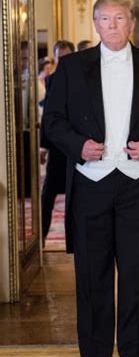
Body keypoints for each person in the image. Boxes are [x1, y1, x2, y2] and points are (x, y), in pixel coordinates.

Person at [43, 0, 139, 357]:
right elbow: (52, 122)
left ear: (131, 23)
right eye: (104, 19)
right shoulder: (71, 68)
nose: (112, 25)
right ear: (95, 24)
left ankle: (138, 356)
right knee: (92, 273)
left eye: (119, 18)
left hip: (137, 184)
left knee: (138, 273)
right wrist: (79, 146)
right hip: (91, 183)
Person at [40, 40, 75, 244]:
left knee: (75, 197)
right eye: (60, 57)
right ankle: (41, 237)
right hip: (56, 146)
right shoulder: (51, 80)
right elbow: (48, 116)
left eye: (66, 56)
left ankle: (74, 239)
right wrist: (43, 146)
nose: (63, 60)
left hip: (77, 147)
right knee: (48, 194)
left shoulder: (83, 78)